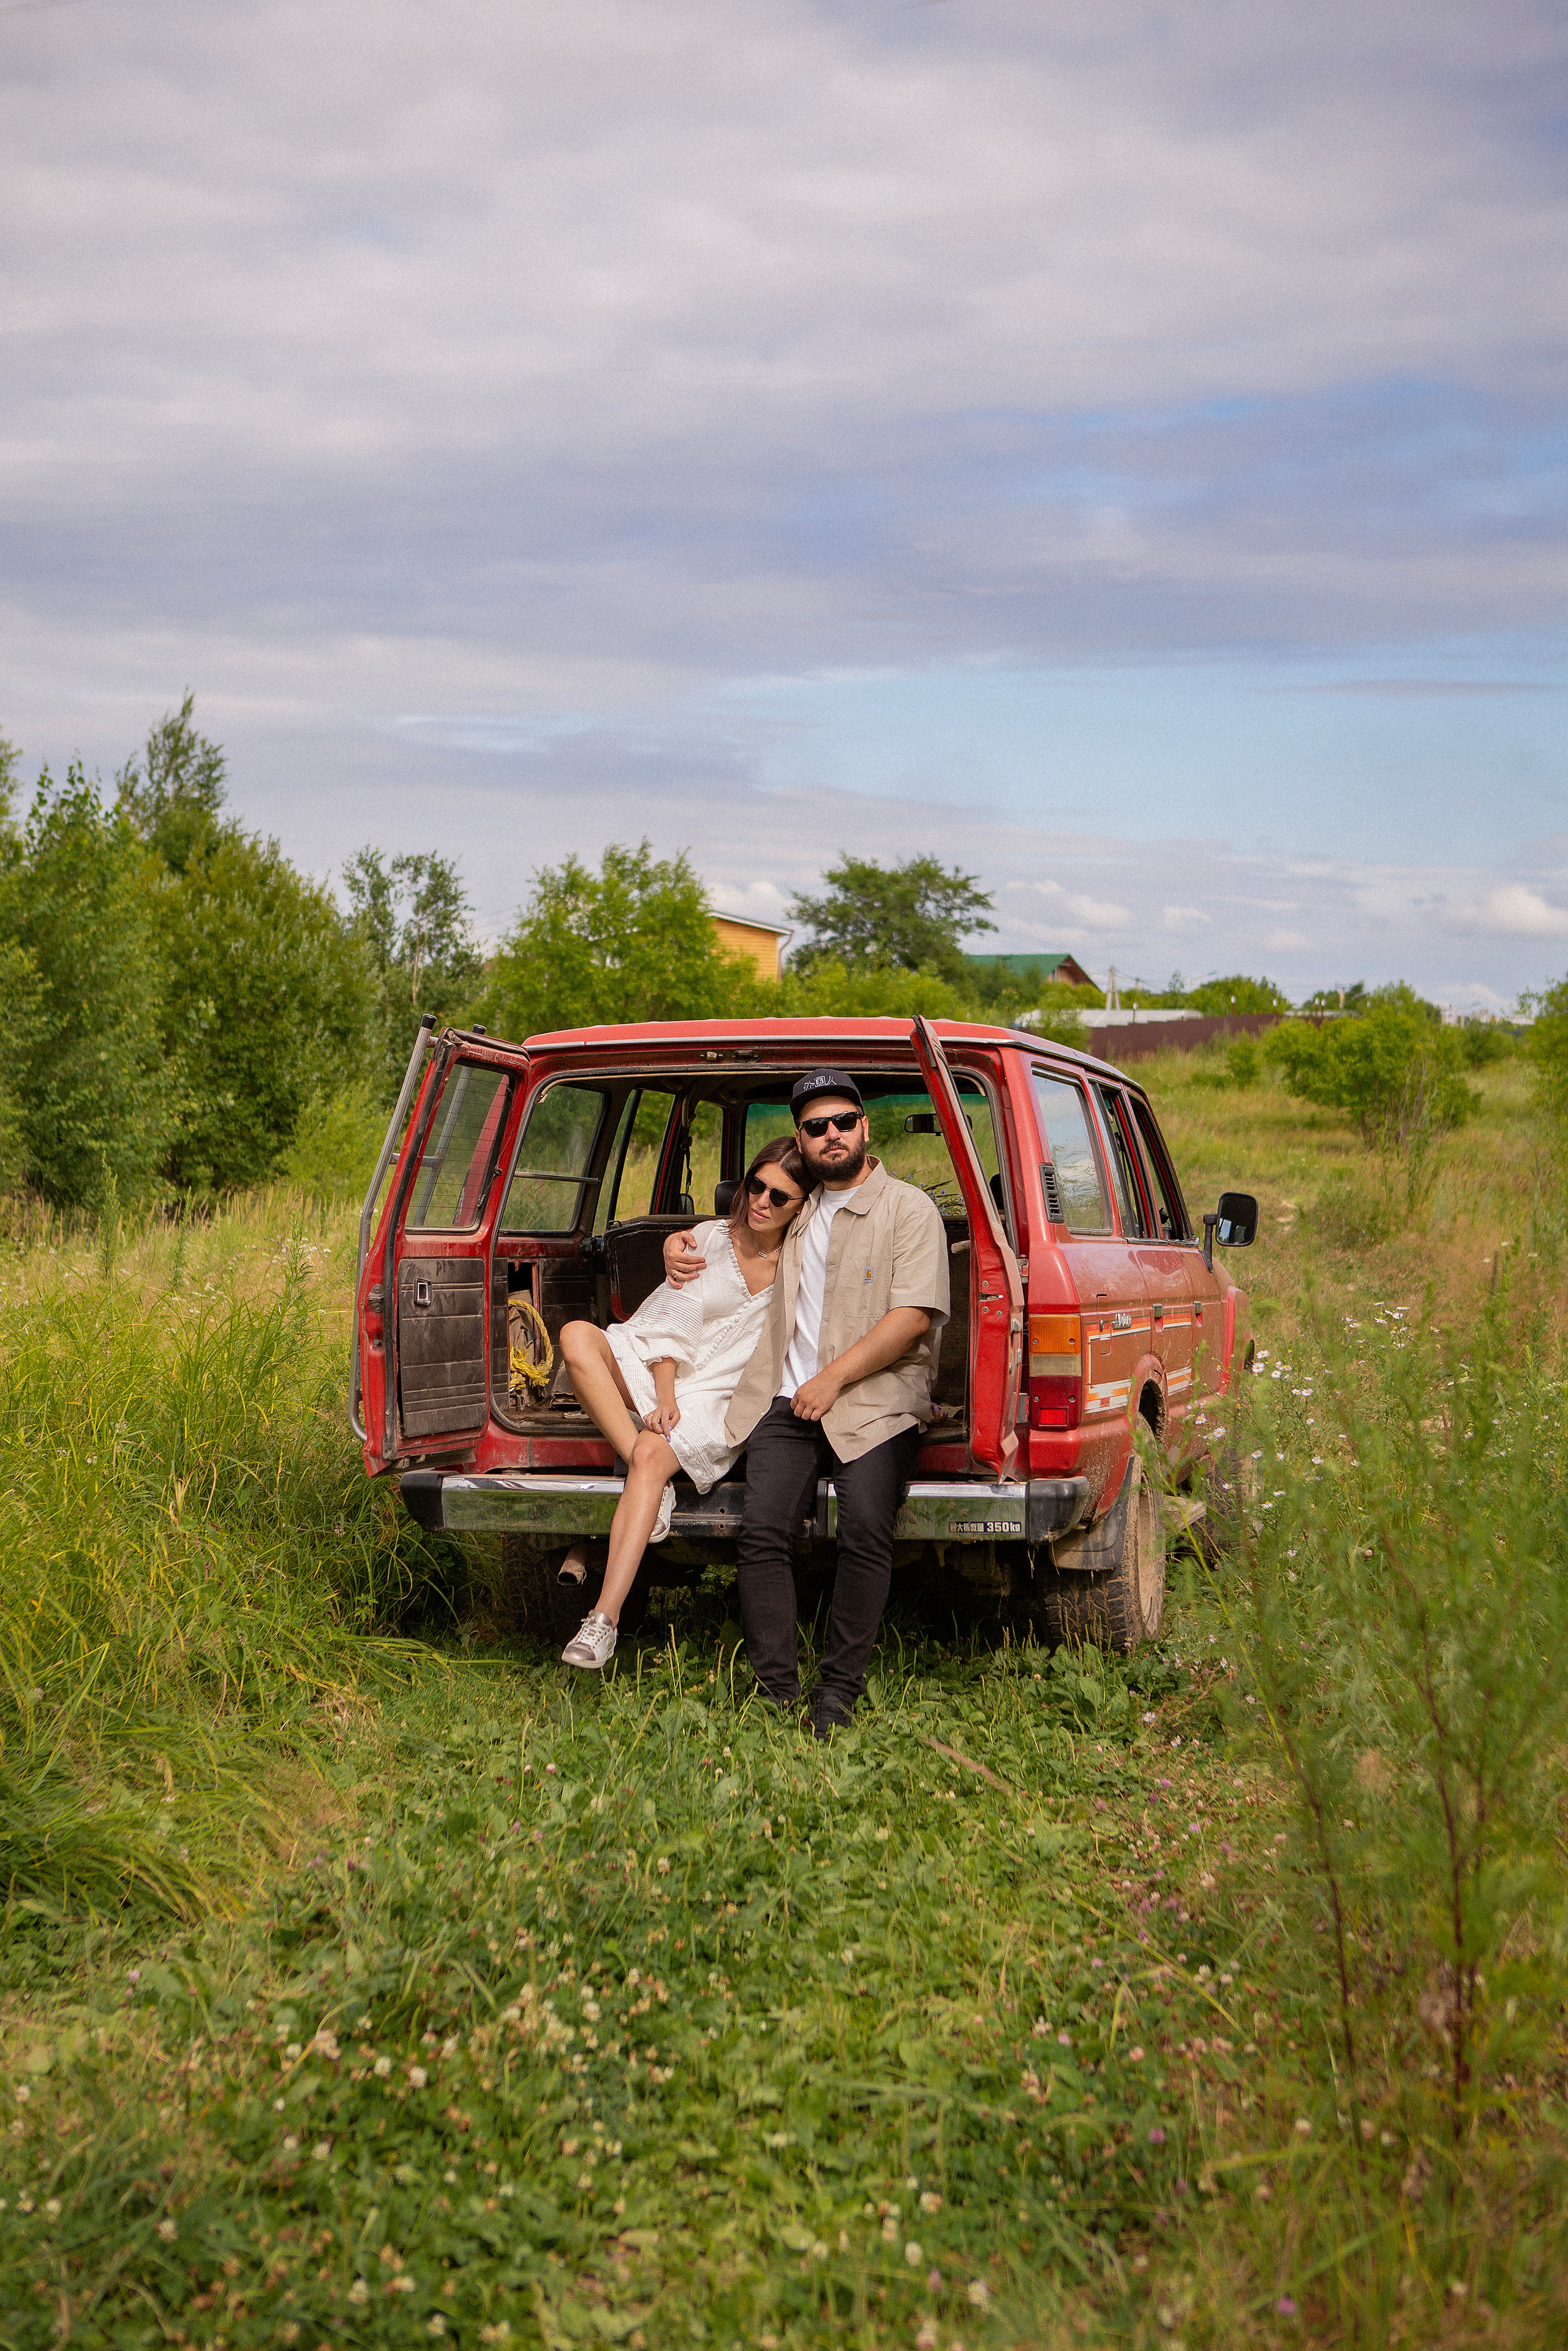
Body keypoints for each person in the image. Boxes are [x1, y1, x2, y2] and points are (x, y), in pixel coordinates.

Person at [663, 1070, 949, 1737]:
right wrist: (672, 1243)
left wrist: (832, 1380)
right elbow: (732, 1236)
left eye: (843, 1121)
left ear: (864, 1127)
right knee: (762, 1532)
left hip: (876, 1402)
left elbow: (912, 1317)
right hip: (786, 1399)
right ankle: (776, 1691)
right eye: (817, 1127)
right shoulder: (798, 1207)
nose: (832, 1135)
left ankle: (837, 1695)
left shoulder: (908, 1209)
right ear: (801, 1138)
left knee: (865, 1528)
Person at [553, 1137, 808, 1672]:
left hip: (724, 1395)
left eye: (779, 1196)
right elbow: (671, 1321)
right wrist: (665, 1397)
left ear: (802, 1205)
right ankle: (653, 1486)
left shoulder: (806, 1258)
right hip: (664, 1365)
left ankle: (602, 1621)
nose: (761, 1201)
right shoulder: (709, 1237)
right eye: (755, 1186)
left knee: (652, 1454)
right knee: (576, 1336)